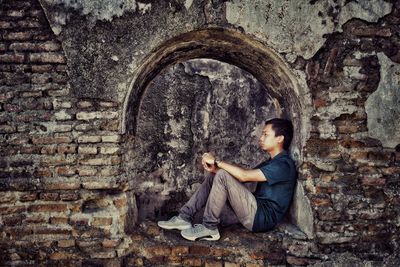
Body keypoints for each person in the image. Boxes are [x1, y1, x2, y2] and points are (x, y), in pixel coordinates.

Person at [157, 118, 297, 241]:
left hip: (261, 218)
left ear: (280, 138)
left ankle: (209, 227)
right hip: (254, 210)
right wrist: (215, 170)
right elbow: (242, 178)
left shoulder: (283, 165)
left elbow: (244, 176)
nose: (261, 138)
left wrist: (217, 161)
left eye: (265, 134)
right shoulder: (271, 162)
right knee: (217, 175)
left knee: (223, 175)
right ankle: (184, 218)